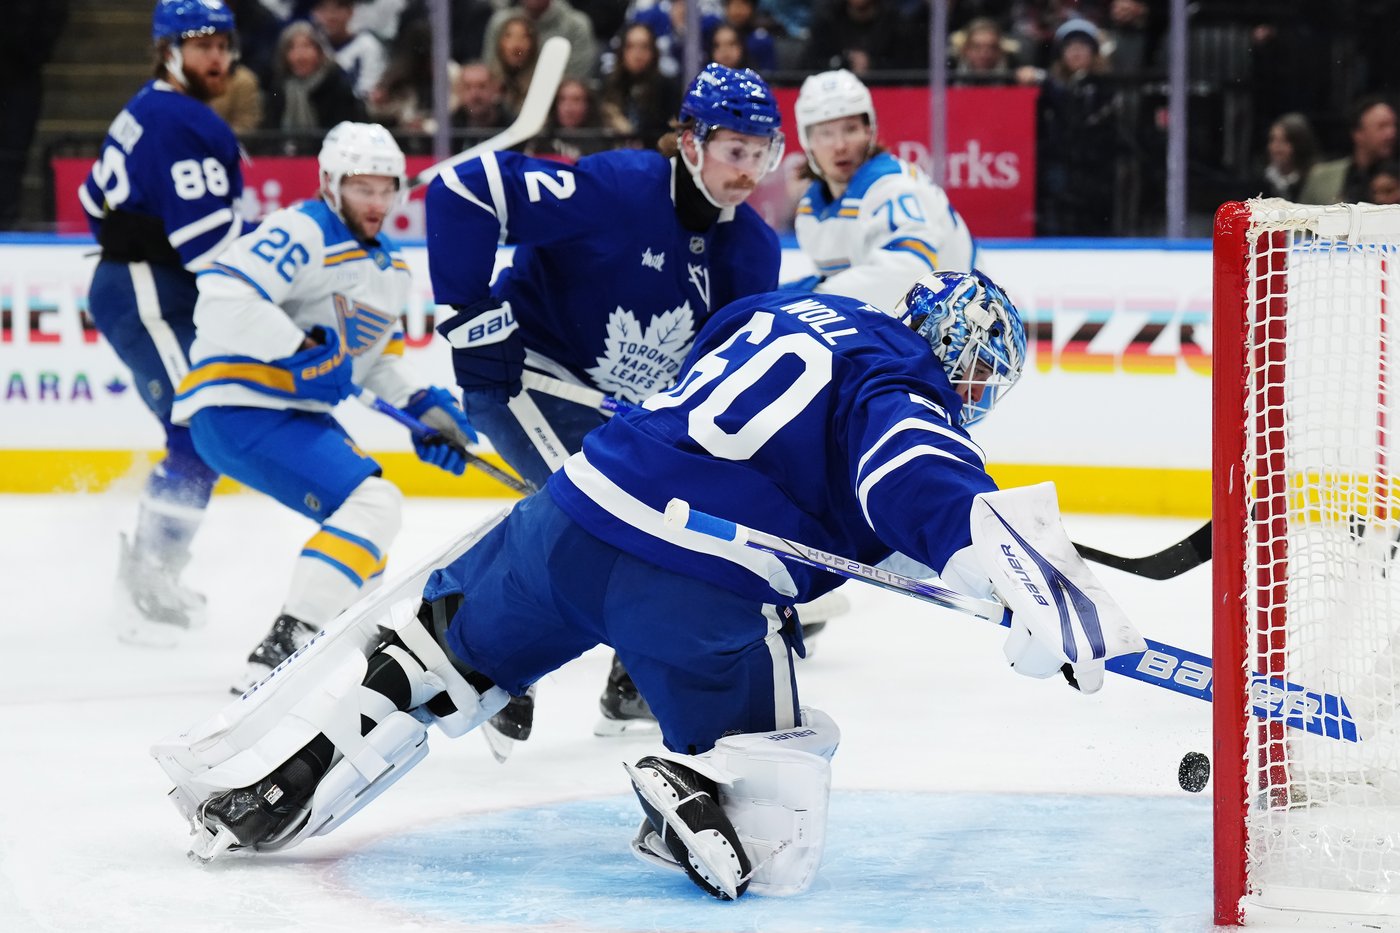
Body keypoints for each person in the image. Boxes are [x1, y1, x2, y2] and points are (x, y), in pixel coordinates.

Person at [161, 270, 1147, 900]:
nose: (967, 393)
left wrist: (976, 564)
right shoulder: (901, 386)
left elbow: (742, 411)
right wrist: (1031, 585)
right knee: (774, 844)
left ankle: (297, 774)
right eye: (971, 377)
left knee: (443, 654)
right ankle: (694, 787)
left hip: (569, 511)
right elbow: (915, 481)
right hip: (692, 577)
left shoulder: (789, 308)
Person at [426, 62, 783, 739]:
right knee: (603, 519)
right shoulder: (618, 189)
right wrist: (473, 314)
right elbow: (461, 190)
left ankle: (625, 676)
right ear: (690, 141)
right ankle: (476, 642)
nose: (749, 169)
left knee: (677, 517)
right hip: (530, 378)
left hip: (623, 418)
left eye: (761, 152)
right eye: (736, 149)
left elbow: (725, 373)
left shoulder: (752, 251)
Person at [170, 122, 477, 692]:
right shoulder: (303, 228)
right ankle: (282, 649)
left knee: (367, 545)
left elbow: (374, 361)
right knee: (375, 503)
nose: (378, 202)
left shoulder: (391, 269)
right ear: (330, 184)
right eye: (364, 187)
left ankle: (349, 666)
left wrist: (423, 404)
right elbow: (221, 297)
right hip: (239, 403)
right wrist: (297, 349)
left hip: (292, 415)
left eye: (387, 188)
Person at [79, 0, 247, 647]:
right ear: (166, 50)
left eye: (223, 44)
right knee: (197, 424)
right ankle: (147, 578)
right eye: (200, 43)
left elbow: (93, 201)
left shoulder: (151, 109)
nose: (217, 57)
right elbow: (210, 248)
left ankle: (154, 573)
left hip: (149, 287)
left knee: (200, 429)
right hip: (147, 290)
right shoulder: (178, 119)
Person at [790, 68, 975, 315]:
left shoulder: (892, 186)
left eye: (850, 129)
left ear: (870, 131)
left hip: (960, 330)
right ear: (807, 141)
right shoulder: (812, 208)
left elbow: (908, 275)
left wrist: (807, 300)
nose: (840, 145)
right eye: (825, 133)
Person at [262, 20, 366, 140]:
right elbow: (268, 134)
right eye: (292, 48)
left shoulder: (337, 85)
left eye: (306, 46)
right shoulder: (278, 88)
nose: (300, 56)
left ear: (319, 52)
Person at [1299, 94, 1398, 206]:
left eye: (1393, 126)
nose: (1391, 133)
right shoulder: (1321, 177)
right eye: (1382, 126)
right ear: (1358, 134)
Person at [1255, 112, 1317, 202]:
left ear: (1300, 144)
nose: (1276, 148)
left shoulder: (1313, 180)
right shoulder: (1260, 178)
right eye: (1272, 140)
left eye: (1284, 141)